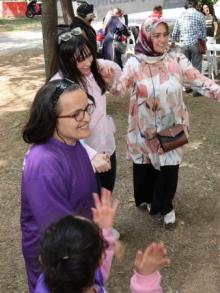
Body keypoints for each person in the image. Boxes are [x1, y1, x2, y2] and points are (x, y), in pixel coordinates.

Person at [108, 17, 220, 227]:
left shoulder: (176, 60)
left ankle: (165, 206)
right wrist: (107, 79)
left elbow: (198, 79)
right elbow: (119, 89)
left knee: (170, 168)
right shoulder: (134, 63)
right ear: (146, 37)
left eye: (165, 35)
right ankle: (150, 200)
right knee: (148, 166)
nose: (162, 40)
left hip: (173, 125)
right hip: (145, 127)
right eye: (156, 35)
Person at [21, 79, 98, 292]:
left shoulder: (72, 142)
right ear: (51, 120)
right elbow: (58, 230)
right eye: (76, 114)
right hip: (60, 264)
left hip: (81, 249)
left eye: (86, 109)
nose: (87, 118)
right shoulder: (43, 164)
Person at [35, 189, 170, 292]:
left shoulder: (55, 275)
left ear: (43, 259)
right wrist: (145, 280)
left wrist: (105, 232)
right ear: (100, 260)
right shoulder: (79, 272)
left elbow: (89, 268)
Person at [51, 27, 121, 193]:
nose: (87, 62)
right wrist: (91, 155)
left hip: (105, 144)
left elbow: (118, 71)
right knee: (88, 203)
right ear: (65, 60)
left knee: (106, 195)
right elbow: (60, 129)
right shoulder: (59, 86)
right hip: (80, 154)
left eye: (89, 55)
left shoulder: (95, 70)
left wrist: (110, 83)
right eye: (79, 59)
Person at [171, 0, 206, 72]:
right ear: (196, 5)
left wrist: (173, 42)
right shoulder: (200, 15)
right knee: (196, 67)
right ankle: (196, 83)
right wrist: (204, 43)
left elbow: (175, 30)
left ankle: (186, 83)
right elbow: (203, 33)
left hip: (183, 44)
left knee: (184, 67)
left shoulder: (181, 15)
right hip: (196, 44)